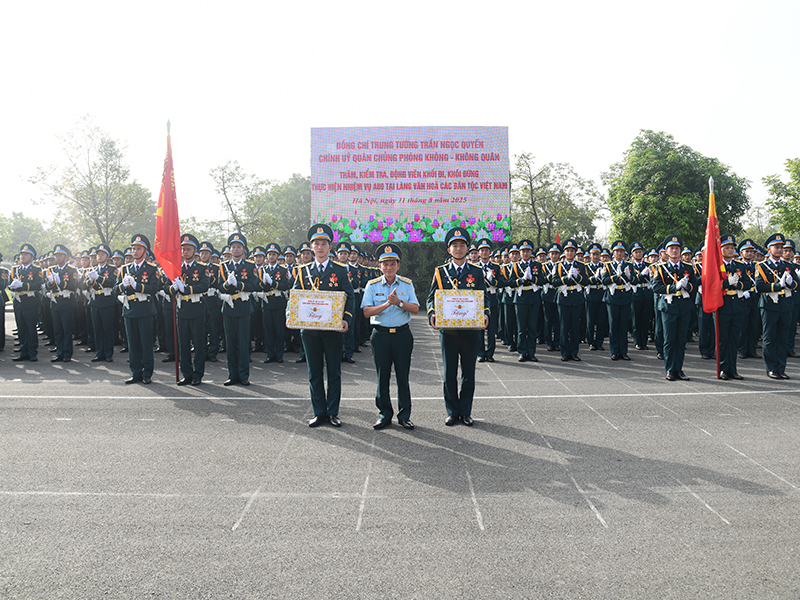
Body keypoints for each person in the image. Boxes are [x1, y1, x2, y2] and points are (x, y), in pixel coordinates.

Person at [427, 227, 490, 426]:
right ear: (449, 250)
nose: (459, 249)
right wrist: (432, 313)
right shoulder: (440, 272)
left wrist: (486, 313)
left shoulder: (477, 272)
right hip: (449, 331)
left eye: (462, 245)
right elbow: (431, 299)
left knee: (469, 372)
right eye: (455, 245)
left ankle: (466, 411)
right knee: (449, 373)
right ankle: (452, 411)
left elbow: (484, 297)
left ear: (468, 248)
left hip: (471, 330)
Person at [293, 224, 355, 427]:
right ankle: (319, 412)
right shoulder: (302, 272)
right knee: (314, 373)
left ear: (330, 247)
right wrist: (289, 315)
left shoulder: (340, 269)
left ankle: (333, 412)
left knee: (334, 372)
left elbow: (350, 296)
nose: (320, 247)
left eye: (324, 244)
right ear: (311, 246)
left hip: (333, 329)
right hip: (310, 330)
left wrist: (346, 318)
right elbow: (293, 298)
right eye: (316, 244)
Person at [362, 243, 419, 429]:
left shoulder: (406, 284)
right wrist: (387, 305)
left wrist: (399, 303)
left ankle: (404, 416)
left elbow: (416, 308)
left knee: (403, 377)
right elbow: (366, 312)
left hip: (402, 335)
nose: (389, 267)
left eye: (392, 263)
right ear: (380, 266)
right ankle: (384, 414)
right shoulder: (372, 286)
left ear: (398, 265)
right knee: (382, 376)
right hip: (381, 336)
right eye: (385, 264)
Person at [651, 235, 698, 381]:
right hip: (669, 307)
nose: (675, 251)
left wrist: (687, 286)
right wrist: (673, 287)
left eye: (677, 248)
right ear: (666, 251)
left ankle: (679, 369)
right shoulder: (661, 268)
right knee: (670, 339)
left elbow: (695, 286)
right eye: (672, 248)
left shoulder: (688, 268)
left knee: (681, 339)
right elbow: (656, 286)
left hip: (684, 307)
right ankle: (670, 369)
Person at [217, 233, 261, 386]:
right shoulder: (223, 266)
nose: (236, 249)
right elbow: (218, 286)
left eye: (239, 246)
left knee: (243, 343)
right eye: (233, 247)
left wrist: (239, 285)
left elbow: (254, 285)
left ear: (243, 249)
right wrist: (227, 285)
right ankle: (232, 375)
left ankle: (243, 375)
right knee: (230, 343)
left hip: (243, 307)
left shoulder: (250, 266)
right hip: (228, 308)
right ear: (230, 249)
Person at [115, 234, 159, 384]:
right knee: (132, 343)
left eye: (138, 248)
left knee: (145, 343)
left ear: (145, 251)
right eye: (133, 248)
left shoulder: (152, 269)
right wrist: (123, 285)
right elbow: (116, 289)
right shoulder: (124, 269)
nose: (135, 251)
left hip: (145, 309)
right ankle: (136, 372)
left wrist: (137, 286)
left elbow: (154, 288)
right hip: (130, 308)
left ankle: (147, 373)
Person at [755, 233, 799, 379]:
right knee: (770, 337)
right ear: (769, 249)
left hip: (786, 305)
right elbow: (760, 286)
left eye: (781, 247)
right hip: (769, 305)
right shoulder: (762, 266)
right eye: (777, 247)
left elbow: (797, 284)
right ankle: (771, 368)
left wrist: (791, 283)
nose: (780, 250)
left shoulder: (788, 266)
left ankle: (781, 367)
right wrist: (776, 285)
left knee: (783, 337)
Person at [168, 234, 210, 386]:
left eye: (188, 249)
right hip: (182, 309)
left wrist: (186, 289)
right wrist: (172, 289)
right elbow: (168, 287)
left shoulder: (202, 268)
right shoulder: (176, 268)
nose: (185, 252)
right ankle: (187, 374)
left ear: (195, 251)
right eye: (183, 249)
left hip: (196, 308)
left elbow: (204, 286)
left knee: (198, 344)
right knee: (183, 344)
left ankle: (198, 374)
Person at [550, 239, 589, 361]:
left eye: (572, 251)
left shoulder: (581, 266)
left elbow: (587, 281)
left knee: (575, 326)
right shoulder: (558, 266)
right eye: (567, 250)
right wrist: (566, 279)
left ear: (575, 252)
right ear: (564, 252)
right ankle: (564, 352)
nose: (570, 253)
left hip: (576, 298)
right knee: (564, 326)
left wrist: (578, 277)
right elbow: (554, 281)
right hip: (563, 298)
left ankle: (574, 352)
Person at [602, 240, 642, 360]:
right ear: (613, 253)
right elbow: (604, 281)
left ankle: (623, 351)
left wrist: (630, 277)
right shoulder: (608, 265)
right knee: (614, 324)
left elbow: (635, 280)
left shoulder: (629, 265)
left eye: (622, 251)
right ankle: (614, 350)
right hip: (613, 297)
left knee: (623, 325)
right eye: (617, 251)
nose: (619, 253)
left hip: (625, 296)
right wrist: (615, 276)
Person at [506, 239, 545, 362]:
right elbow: (511, 283)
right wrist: (521, 280)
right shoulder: (516, 266)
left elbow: (543, 281)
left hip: (533, 298)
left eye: (527, 251)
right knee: (521, 328)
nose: (525, 253)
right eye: (523, 251)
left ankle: (531, 352)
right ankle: (522, 352)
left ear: (531, 252)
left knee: (532, 327)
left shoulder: (537, 265)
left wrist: (533, 278)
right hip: (521, 298)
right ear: (520, 253)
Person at [85, 243, 118, 363]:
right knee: (97, 329)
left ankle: (108, 353)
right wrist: (90, 281)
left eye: (102, 254)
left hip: (107, 301)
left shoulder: (112, 269)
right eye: (98, 254)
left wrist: (98, 278)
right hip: (95, 301)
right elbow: (83, 284)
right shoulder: (92, 269)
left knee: (107, 329)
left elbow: (112, 282)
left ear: (107, 256)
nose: (99, 256)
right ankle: (99, 353)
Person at [9, 243, 43, 362]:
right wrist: (13, 287)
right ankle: (24, 352)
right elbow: (10, 284)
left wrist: (23, 285)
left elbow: (38, 285)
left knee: (30, 328)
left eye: (25, 254)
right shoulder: (15, 270)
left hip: (31, 302)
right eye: (21, 254)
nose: (22, 256)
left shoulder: (36, 269)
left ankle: (32, 352)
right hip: (18, 302)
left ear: (31, 257)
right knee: (21, 329)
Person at [260, 242, 291, 364]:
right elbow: (258, 285)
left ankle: (279, 354)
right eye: (269, 254)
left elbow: (285, 285)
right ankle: (270, 354)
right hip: (267, 302)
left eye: (274, 254)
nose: (271, 257)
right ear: (266, 257)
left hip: (278, 302)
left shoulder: (283, 270)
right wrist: (263, 284)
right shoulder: (262, 270)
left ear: (277, 256)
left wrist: (273, 283)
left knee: (279, 329)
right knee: (268, 330)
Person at [476, 238, 502, 362]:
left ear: (490, 252)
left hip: (492, 299)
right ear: (478, 252)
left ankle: (490, 353)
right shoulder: (474, 267)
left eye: (486, 250)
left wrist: (493, 281)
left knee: (491, 330)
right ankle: (481, 352)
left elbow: (502, 282)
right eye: (482, 250)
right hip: (479, 301)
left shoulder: (496, 267)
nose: (484, 252)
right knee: (480, 329)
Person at [584, 243, 606, 351]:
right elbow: (584, 280)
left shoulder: (605, 267)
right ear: (590, 255)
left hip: (601, 293)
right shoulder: (586, 267)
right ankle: (591, 342)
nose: (596, 256)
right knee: (590, 320)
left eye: (598, 254)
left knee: (600, 320)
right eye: (594, 254)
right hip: (591, 294)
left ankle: (599, 342)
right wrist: (593, 278)